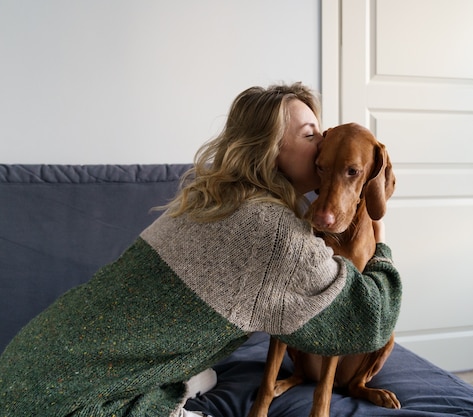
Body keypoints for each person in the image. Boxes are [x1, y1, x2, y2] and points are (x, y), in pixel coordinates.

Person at [0, 83, 402, 417]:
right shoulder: (273, 235)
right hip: (63, 403)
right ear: (268, 148)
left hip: (29, 362)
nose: (323, 145)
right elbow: (370, 322)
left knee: (196, 376)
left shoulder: (210, 198)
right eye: (311, 135)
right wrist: (379, 241)